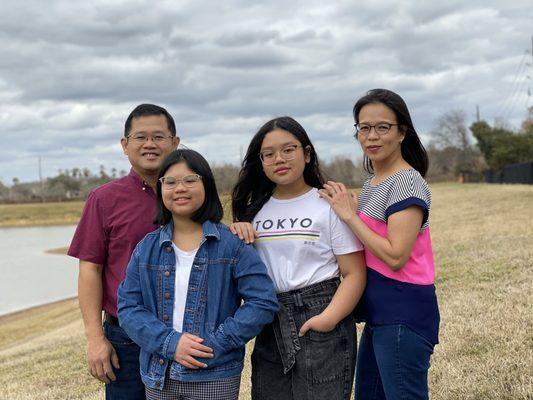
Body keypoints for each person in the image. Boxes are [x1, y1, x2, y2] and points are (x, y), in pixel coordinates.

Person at [117, 149, 279, 400]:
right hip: (159, 373)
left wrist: (215, 343)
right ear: (161, 190)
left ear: (207, 185)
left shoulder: (232, 244)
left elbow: (262, 302)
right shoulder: (146, 248)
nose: (180, 188)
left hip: (215, 372)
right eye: (170, 182)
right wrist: (171, 344)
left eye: (190, 180)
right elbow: (128, 307)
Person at [230, 116, 366, 400]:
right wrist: (236, 232)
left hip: (320, 313)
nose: (279, 158)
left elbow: (354, 273)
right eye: (269, 154)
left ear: (306, 154)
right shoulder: (253, 210)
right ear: (261, 161)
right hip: (269, 317)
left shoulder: (328, 204)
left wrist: (328, 319)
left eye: (288, 149)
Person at [320, 89, 440, 400]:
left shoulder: (406, 181)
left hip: (403, 310)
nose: (372, 136)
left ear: (402, 132)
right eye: (364, 128)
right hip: (380, 313)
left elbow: (396, 255)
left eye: (383, 127)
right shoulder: (374, 181)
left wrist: (349, 216)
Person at [68, 104, 180, 399]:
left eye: (159, 136)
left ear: (175, 143)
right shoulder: (104, 200)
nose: (150, 144)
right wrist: (95, 338)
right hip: (126, 339)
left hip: (184, 333)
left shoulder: (190, 194)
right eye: (140, 137)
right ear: (124, 145)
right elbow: (89, 270)